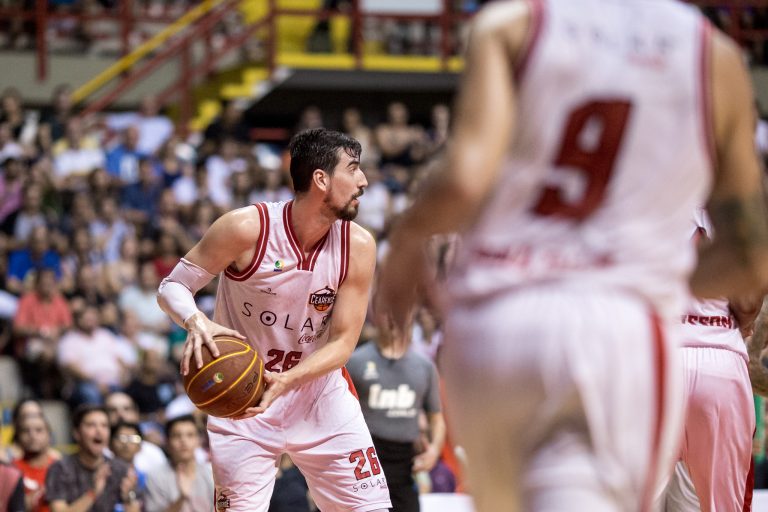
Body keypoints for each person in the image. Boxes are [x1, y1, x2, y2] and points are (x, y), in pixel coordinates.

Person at [374, 1, 768, 511]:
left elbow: (464, 180)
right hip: (623, 327)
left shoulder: (512, 24)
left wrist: (405, 244)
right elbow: (749, 258)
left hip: (505, 314)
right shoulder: (714, 57)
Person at [157, 128, 391, 512]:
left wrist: (288, 380)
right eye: (353, 169)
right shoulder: (246, 228)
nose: (363, 181)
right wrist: (196, 321)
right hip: (243, 398)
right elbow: (172, 287)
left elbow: (343, 343)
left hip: (319, 396)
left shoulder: (358, 245)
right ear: (321, 179)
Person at [658, 210, 757, 511]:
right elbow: (748, 304)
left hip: (658, 357)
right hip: (720, 360)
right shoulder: (733, 211)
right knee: (724, 505)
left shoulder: (651, 202)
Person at [347, 327, 446, 512]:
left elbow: (436, 418)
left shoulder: (424, 366)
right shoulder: (355, 361)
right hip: (363, 467)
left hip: (405, 468)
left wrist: (434, 451)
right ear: (376, 315)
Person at [45, 405, 141, 512]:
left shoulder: (120, 469)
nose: (99, 431)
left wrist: (129, 497)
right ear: (76, 433)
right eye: (91, 425)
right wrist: (93, 493)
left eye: (104, 426)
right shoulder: (60, 468)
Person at [144, 415, 213, 512]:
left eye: (190, 435)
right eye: (176, 436)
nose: (183, 441)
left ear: (199, 441)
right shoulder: (155, 477)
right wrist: (182, 498)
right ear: (167, 442)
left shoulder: (211, 473)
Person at [11, 412, 58, 512]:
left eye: (39, 430)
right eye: (25, 431)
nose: (32, 435)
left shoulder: (62, 468)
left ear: (49, 436)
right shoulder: (10, 471)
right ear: (18, 437)